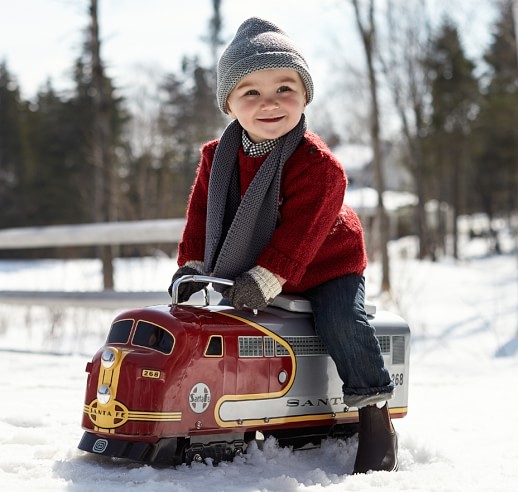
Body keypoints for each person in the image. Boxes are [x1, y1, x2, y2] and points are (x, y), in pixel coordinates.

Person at [169, 17, 397, 474]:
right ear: (229, 103)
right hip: (261, 263)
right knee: (236, 329)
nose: (269, 104)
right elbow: (200, 216)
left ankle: (375, 415)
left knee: (340, 320)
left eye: (284, 89)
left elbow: (301, 234)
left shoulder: (319, 166)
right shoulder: (217, 158)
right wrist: (191, 264)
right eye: (250, 92)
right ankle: (249, 409)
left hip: (328, 260)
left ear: (305, 95)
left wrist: (268, 277)